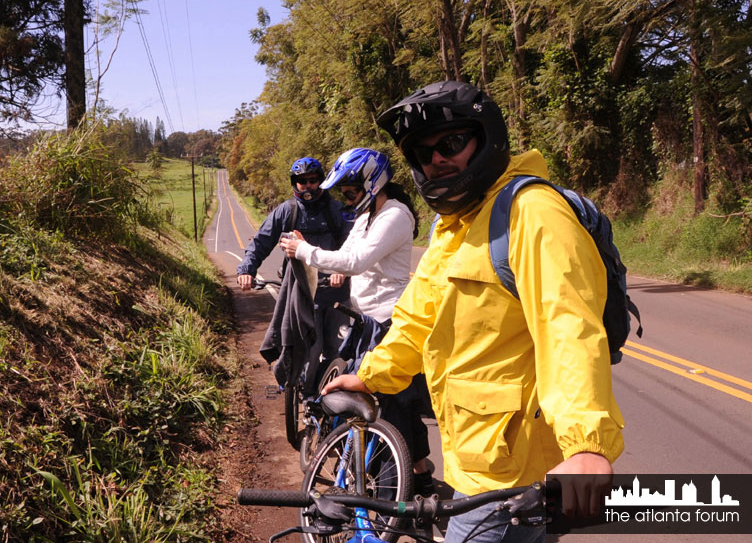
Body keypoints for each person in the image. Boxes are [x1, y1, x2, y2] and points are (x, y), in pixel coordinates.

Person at [322, 81, 624, 543]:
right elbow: (419, 317)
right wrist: (374, 374)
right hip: (475, 459)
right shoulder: (456, 223)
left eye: (452, 143)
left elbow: (569, 330)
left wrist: (587, 445)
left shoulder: (532, 214)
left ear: (487, 139)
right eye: (423, 154)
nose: (437, 160)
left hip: (513, 478)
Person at [279, 148, 435, 497]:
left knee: (384, 409)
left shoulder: (395, 215)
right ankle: (420, 476)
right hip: (366, 322)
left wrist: (305, 252)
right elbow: (345, 257)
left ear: (371, 183)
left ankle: (389, 498)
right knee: (401, 403)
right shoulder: (367, 216)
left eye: (350, 191)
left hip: (389, 323)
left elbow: (358, 260)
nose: (346, 199)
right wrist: (318, 257)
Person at [236, 157, 351, 294]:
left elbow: (352, 245)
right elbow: (261, 242)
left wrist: (341, 271)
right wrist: (246, 271)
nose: (308, 185)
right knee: (283, 315)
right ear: (295, 183)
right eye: (302, 181)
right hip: (296, 290)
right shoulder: (286, 211)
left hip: (333, 290)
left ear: (321, 181)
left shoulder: (337, 210)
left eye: (313, 180)